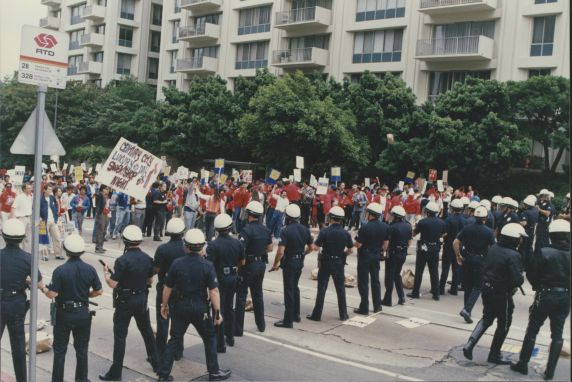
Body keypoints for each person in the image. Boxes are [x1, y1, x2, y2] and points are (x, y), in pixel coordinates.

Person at [156, 229, 231, 382]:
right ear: (202, 246)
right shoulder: (207, 265)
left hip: (179, 306)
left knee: (175, 339)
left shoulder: (177, 263)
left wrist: (164, 305)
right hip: (199, 307)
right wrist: (217, 313)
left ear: (186, 246)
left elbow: (167, 287)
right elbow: (214, 291)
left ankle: (163, 375)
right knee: (209, 338)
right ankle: (214, 371)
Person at [511, 219, 570, 380]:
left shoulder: (544, 252)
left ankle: (523, 364)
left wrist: (538, 286)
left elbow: (531, 272)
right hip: (565, 296)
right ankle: (550, 372)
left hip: (545, 294)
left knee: (533, 328)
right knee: (557, 334)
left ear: (551, 235)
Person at [99, 225, 159, 380]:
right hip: (141, 299)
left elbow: (113, 284)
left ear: (125, 241)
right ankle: (156, 363)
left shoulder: (122, 260)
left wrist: (106, 274)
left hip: (125, 301)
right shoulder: (147, 258)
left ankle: (116, 372)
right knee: (146, 331)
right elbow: (150, 279)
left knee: (120, 336)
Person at [462, 223, 526, 364]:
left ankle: (470, 344)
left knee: (487, 318)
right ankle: (494, 354)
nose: (521, 240)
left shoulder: (494, 248)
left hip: (487, 288)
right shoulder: (514, 254)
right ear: (514, 239)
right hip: (501, 292)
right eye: (520, 238)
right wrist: (520, 277)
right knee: (504, 323)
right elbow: (517, 280)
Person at [42, 234, 102, 382]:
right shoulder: (90, 269)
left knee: (60, 351)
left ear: (66, 250)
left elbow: (52, 294)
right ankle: (81, 379)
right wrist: (85, 295)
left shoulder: (60, 271)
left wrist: (43, 289)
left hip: (64, 314)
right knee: (82, 350)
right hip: (83, 313)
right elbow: (99, 291)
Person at [1, 219, 45, 382]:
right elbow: (39, 283)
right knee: (18, 347)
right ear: (22, 238)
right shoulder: (28, 258)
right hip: (16, 304)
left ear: (4, 236)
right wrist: (25, 280)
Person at [270, 204, 313, 328]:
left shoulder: (286, 230)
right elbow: (311, 248)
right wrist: (302, 254)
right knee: (295, 287)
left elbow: (281, 251)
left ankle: (288, 320)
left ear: (288, 217)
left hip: (289, 262)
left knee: (289, 289)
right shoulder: (305, 229)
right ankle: (296, 315)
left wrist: (275, 264)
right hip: (299, 261)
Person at [307, 206, 353, 321]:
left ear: (331, 218)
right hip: (339, 262)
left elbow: (316, 248)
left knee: (322, 288)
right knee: (340, 289)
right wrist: (343, 255)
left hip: (326, 262)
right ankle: (343, 314)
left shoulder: (325, 231)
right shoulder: (345, 233)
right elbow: (351, 250)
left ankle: (316, 315)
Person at [206, 213, 244, 350]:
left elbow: (208, 265)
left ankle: (219, 342)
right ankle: (230, 337)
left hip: (219, 279)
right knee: (229, 308)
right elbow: (242, 262)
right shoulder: (237, 243)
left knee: (218, 309)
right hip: (233, 277)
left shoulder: (213, 245)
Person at [235, 201, 272, 334]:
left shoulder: (246, 230)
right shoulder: (266, 229)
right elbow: (270, 248)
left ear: (249, 214)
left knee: (241, 296)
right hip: (261, 264)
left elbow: (241, 250)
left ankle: (238, 329)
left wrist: (240, 264)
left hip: (248, 265)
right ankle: (261, 325)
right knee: (257, 294)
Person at [454, 206, 495, 323]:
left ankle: (468, 311)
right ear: (485, 218)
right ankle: (467, 309)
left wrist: (458, 255)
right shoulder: (488, 231)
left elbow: (456, 242)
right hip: (481, 260)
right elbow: (493, 248)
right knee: (478, 286)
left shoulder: (467, 228)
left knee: (467, 286)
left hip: (467, 258)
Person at [153, 218, 187, 359]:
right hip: (182, 290)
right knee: (178, 323)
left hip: (164, 287)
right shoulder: (187, 248)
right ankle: (177, 352)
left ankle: (160, 352)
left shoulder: (162, 249)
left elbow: (156, 269)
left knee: (163, 322)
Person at [353, 202, 389, 314]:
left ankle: (364, 307)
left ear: (370, 214)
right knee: (375, 281)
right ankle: (377, 306)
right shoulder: (385, 226)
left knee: (363, 282)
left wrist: (355, 241)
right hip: (376, 255)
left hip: (365, 256)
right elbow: (385, 244)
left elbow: (358, 244)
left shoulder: (365, 227)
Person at [408, 202, 445, 301]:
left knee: (419, 271)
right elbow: (443, 234)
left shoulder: (423, 222)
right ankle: (436, 294)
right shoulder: (441, 222)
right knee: (434, 272)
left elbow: (414, 233)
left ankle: (415, 292)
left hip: (423, 248)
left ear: (427, 212)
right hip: (435, 248)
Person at [381, 206, 411, 306]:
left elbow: (386, 244)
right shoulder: (408, 226)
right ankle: (401, 297)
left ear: (395, 216)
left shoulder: (391, 227)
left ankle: (387, 299)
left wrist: (382, 252)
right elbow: (409, 241)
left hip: (393, 253)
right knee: (397, 275)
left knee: (389, 277)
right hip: (403, 253)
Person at [439, 198, 465, 296]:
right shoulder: (464, 220)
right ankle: (454, 289)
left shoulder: (449, 219)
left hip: (449, 245)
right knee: (456, 268)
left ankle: (441, 288)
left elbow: (444, 232)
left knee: (445, 268)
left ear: (453, 208)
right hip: (459, 246)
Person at [40, 184, 64, 259]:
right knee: (43, 239)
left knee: (57, 237)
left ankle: (58, 254)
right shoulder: (40, 198)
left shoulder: (52, 197)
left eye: (51, 189)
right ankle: (44, 255)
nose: (50, 191)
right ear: (44, 190)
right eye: (48, 189)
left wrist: (56, 216)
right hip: (43, 221)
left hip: (53, 221)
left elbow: (56, 206)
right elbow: (36, 209)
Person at [11, 183, 33, 252]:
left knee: (28, 237)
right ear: (24, 189)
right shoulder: (19, 197)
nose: (30, 189)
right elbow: (13, 207)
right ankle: (18, 251)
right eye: (28, 188)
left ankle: (26, 252)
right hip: (21, 219)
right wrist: (13, 219)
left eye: (30, 188)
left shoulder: (30, 197)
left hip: (29, 218)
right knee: (20, 236)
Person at [519, 195, 539, 270]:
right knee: (529, 248)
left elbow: (524, 223)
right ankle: (530, 265)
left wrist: (517, 222)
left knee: (523, 248)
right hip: (532, 231)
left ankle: (523, 265)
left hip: (526, 232)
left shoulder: (526, 212)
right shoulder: (536, 211)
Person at [94, 185, 110, 254]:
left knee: (104, 231)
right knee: (100, 231)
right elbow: (98, 201)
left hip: (106, 214)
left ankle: (101, 246)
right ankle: (98, 247)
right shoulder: (99, 195)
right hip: (101, 214)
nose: (107, 190)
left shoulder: (106, 196)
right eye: (106, 189)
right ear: (102, 189)